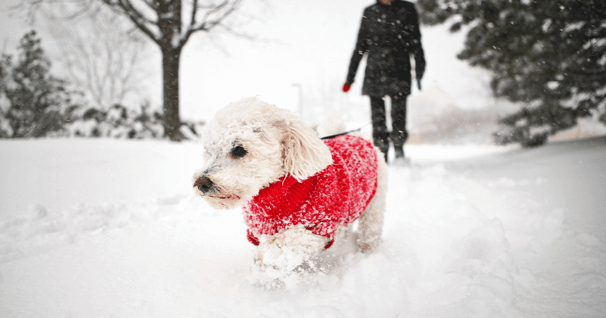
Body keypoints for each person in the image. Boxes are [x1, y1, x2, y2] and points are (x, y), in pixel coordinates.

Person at [342, 0, 425, 162]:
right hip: (375, 72)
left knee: (399, 114)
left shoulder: (407, 9)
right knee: (377, 117)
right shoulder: (370, 12)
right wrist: (349, 78)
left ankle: (399, 149)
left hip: (399, 70)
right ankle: (381, 152)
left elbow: (416, 42)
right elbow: (360, 46)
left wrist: (420, 70)